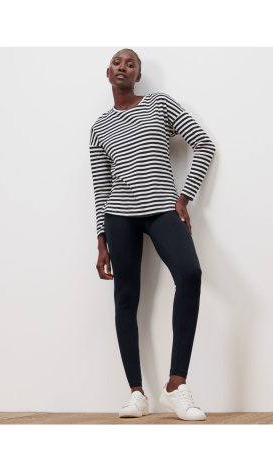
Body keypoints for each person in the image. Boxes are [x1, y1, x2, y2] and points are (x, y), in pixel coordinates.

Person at [89, 48, 216, 421]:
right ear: (108, 72)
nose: (123, 67)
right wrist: (101, 238)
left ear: (138, 75)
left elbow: (204, 144)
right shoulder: (99, 127)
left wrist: (185, 196)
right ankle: (136, 393)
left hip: (163, 208)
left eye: (131, 64)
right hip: (119, 216)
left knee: (190, 274)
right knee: (126, 299)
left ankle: (176, 385)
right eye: (117, 62)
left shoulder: (159, 104)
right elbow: (101, 184)